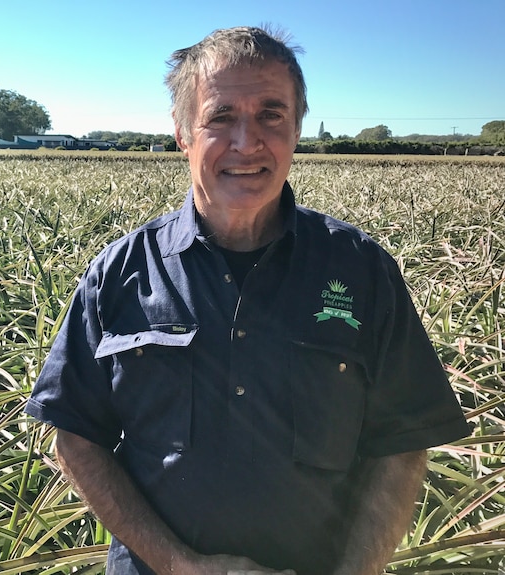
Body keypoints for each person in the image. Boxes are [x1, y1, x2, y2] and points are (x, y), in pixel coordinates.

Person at [24, 26, 470, 575]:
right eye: (221, 116)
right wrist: (180, 565)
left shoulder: (361, 269)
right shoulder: (120, 274)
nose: (246, 141)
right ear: (183, 132)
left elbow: (402, 443)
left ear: (297, 129)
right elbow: (75, 436)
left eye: (271, 114)